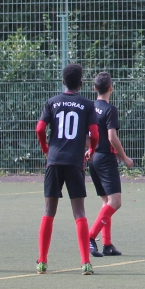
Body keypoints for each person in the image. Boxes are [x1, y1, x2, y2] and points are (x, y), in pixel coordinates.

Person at [34, 63, 99, 275]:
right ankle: (85, 262)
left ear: (63, 82)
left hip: (54, 161)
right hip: (74, 162)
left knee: (48, 211)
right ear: (81, 83)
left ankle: (42, 261)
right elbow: (95, 134)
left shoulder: (52, 102)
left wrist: (46, 148)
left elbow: (40, 128)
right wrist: (91, 150)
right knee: (79, 212)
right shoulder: (87, 104)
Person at [87, 72, 134, 258]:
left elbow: (86, 133)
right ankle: (90, 236)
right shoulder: (110, 109)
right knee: (115, 202)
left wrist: (89, 149)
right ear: (111, 88)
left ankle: (107, 245)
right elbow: (112, 137)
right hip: (106, 158)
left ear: (94, 88)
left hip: (93, 157)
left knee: (106, 202)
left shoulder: (90, 108)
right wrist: (125, 157)